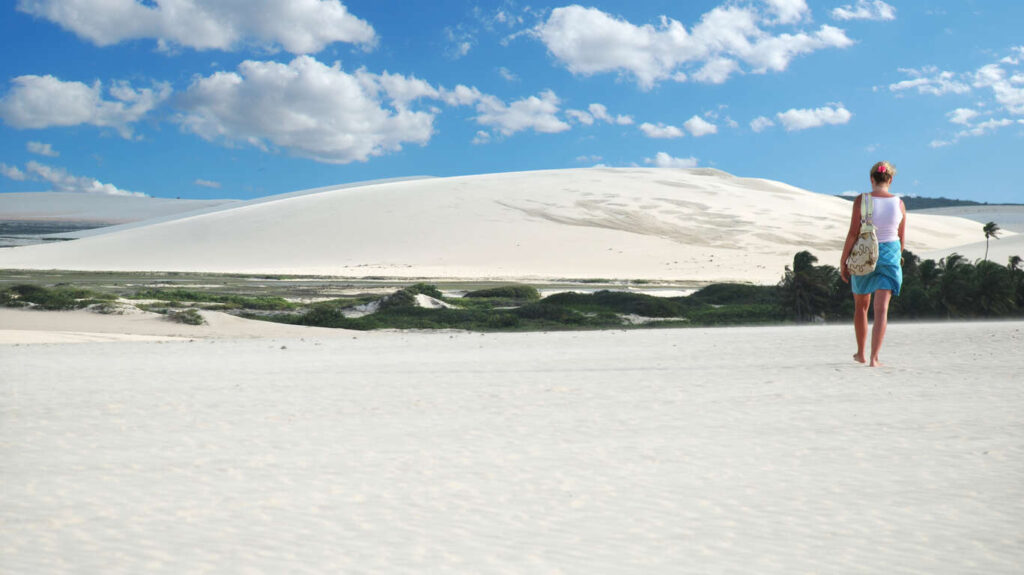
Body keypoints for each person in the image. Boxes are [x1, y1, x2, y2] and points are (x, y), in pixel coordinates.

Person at [839, 161, 906, 367]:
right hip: (889, 257)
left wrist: (844, 261)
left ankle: (861, 353)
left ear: (871, 179)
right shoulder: (899, 203)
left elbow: (853, 233)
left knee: (861, 307)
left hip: (864, 254)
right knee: (881, 309)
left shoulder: (862, 200)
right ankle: (875, 358)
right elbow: (901, 238)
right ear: (890, 180)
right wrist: (895, 258)